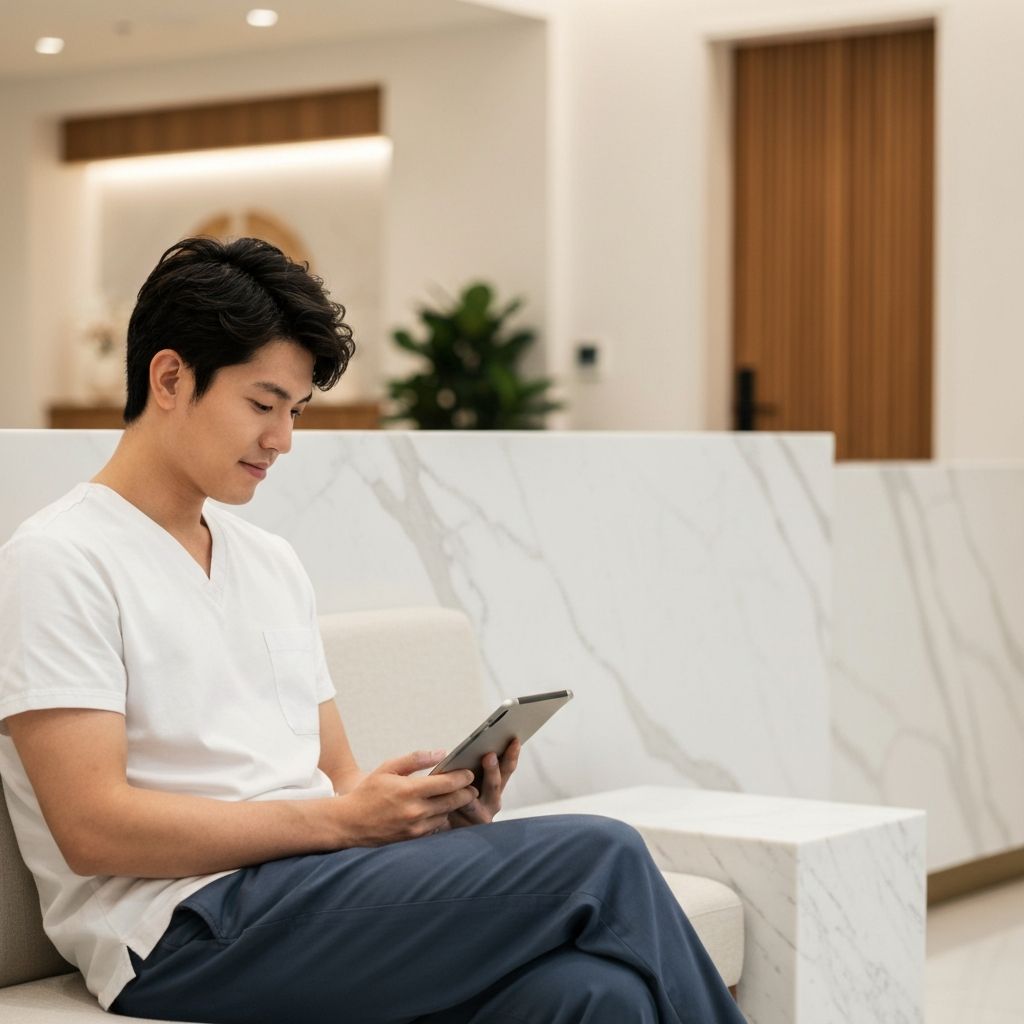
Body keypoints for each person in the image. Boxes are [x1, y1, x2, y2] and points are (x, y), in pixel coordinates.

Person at [0, 237, 746, 1023]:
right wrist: (338, 822)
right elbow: (92, 829)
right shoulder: (60, 560)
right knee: (604, 853)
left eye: (294, 411)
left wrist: (420, 807)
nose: (282, 439)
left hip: (305, 892)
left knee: (598, 996)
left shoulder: (270, 562)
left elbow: (337, 777)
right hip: (177, 931)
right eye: (262, 404)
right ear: (170, 377)